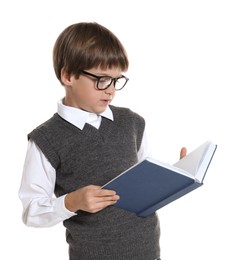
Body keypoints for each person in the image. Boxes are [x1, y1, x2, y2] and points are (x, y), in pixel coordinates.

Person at [19, 22, 186, 260]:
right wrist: (71, 201)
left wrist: (175, 178)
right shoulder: (46, 139)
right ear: (68, 75)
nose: (110, 91)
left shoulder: (132, 122)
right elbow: (31, 212)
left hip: (148, 253)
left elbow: (145, 185)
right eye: (102, 80)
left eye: (116, 80)